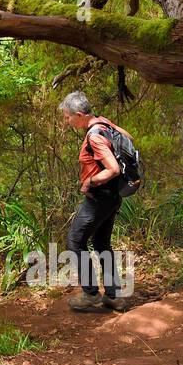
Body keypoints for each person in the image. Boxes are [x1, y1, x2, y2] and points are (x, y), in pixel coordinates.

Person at [58, 91, 130, 312]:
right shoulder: (105, 124)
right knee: (101, 244)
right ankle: (113, 296)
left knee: (75, 241)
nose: (66, 121)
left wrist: (90, 181)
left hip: (99, 197)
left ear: (79, 115)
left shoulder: (94, 135)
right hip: (113, 197)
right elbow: (128, 139)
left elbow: (113, 168)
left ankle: (90, 294)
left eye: (68, 117)